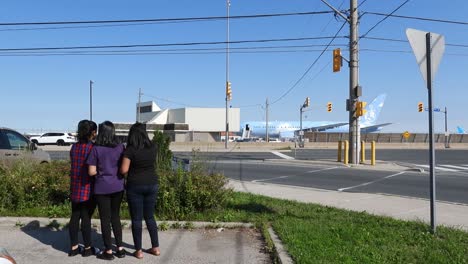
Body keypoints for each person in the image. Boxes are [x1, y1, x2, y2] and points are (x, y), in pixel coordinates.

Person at [120, 122, 160, 259]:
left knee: (137, 219)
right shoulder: (153, 147)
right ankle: (155, 248)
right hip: (152, 183)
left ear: (132, 134)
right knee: (150, 217)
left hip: (135, 185)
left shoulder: (130, 150)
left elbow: (124, 170)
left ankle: (138, 251)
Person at [87, 121, 126, 260]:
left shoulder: (96, 149)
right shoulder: (120, 147)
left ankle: (108, 251)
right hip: (118, 186)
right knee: (115, 216)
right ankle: (120, 249)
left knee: (105, 219)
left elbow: (91, 172)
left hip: (102, 187)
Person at [68, 120, 97, 257]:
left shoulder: (74, 147)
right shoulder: (92, 148)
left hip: (75, 186)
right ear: (92, 132)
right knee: (86, 217)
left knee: (74, 216)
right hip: (88, 186)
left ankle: (73, 247)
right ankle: (87, 248)